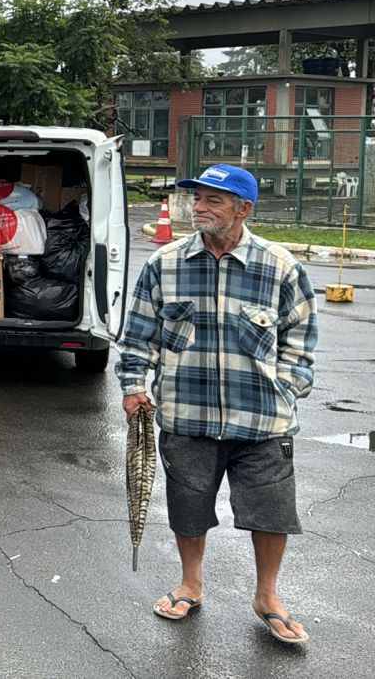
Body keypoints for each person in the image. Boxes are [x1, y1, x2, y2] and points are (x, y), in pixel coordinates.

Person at [117, 163, 318, 645]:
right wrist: (132, 385)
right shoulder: (164, 263)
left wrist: (286, 389)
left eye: (213, 200)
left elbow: (300, 341)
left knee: (271, 512)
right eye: (196, 198)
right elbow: (139, 335)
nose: (199, 208)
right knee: (188, 507)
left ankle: (267, 596)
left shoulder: (280, 267)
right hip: (188, 417)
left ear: (243, 208)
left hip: (263, 422)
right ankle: (191, 584)